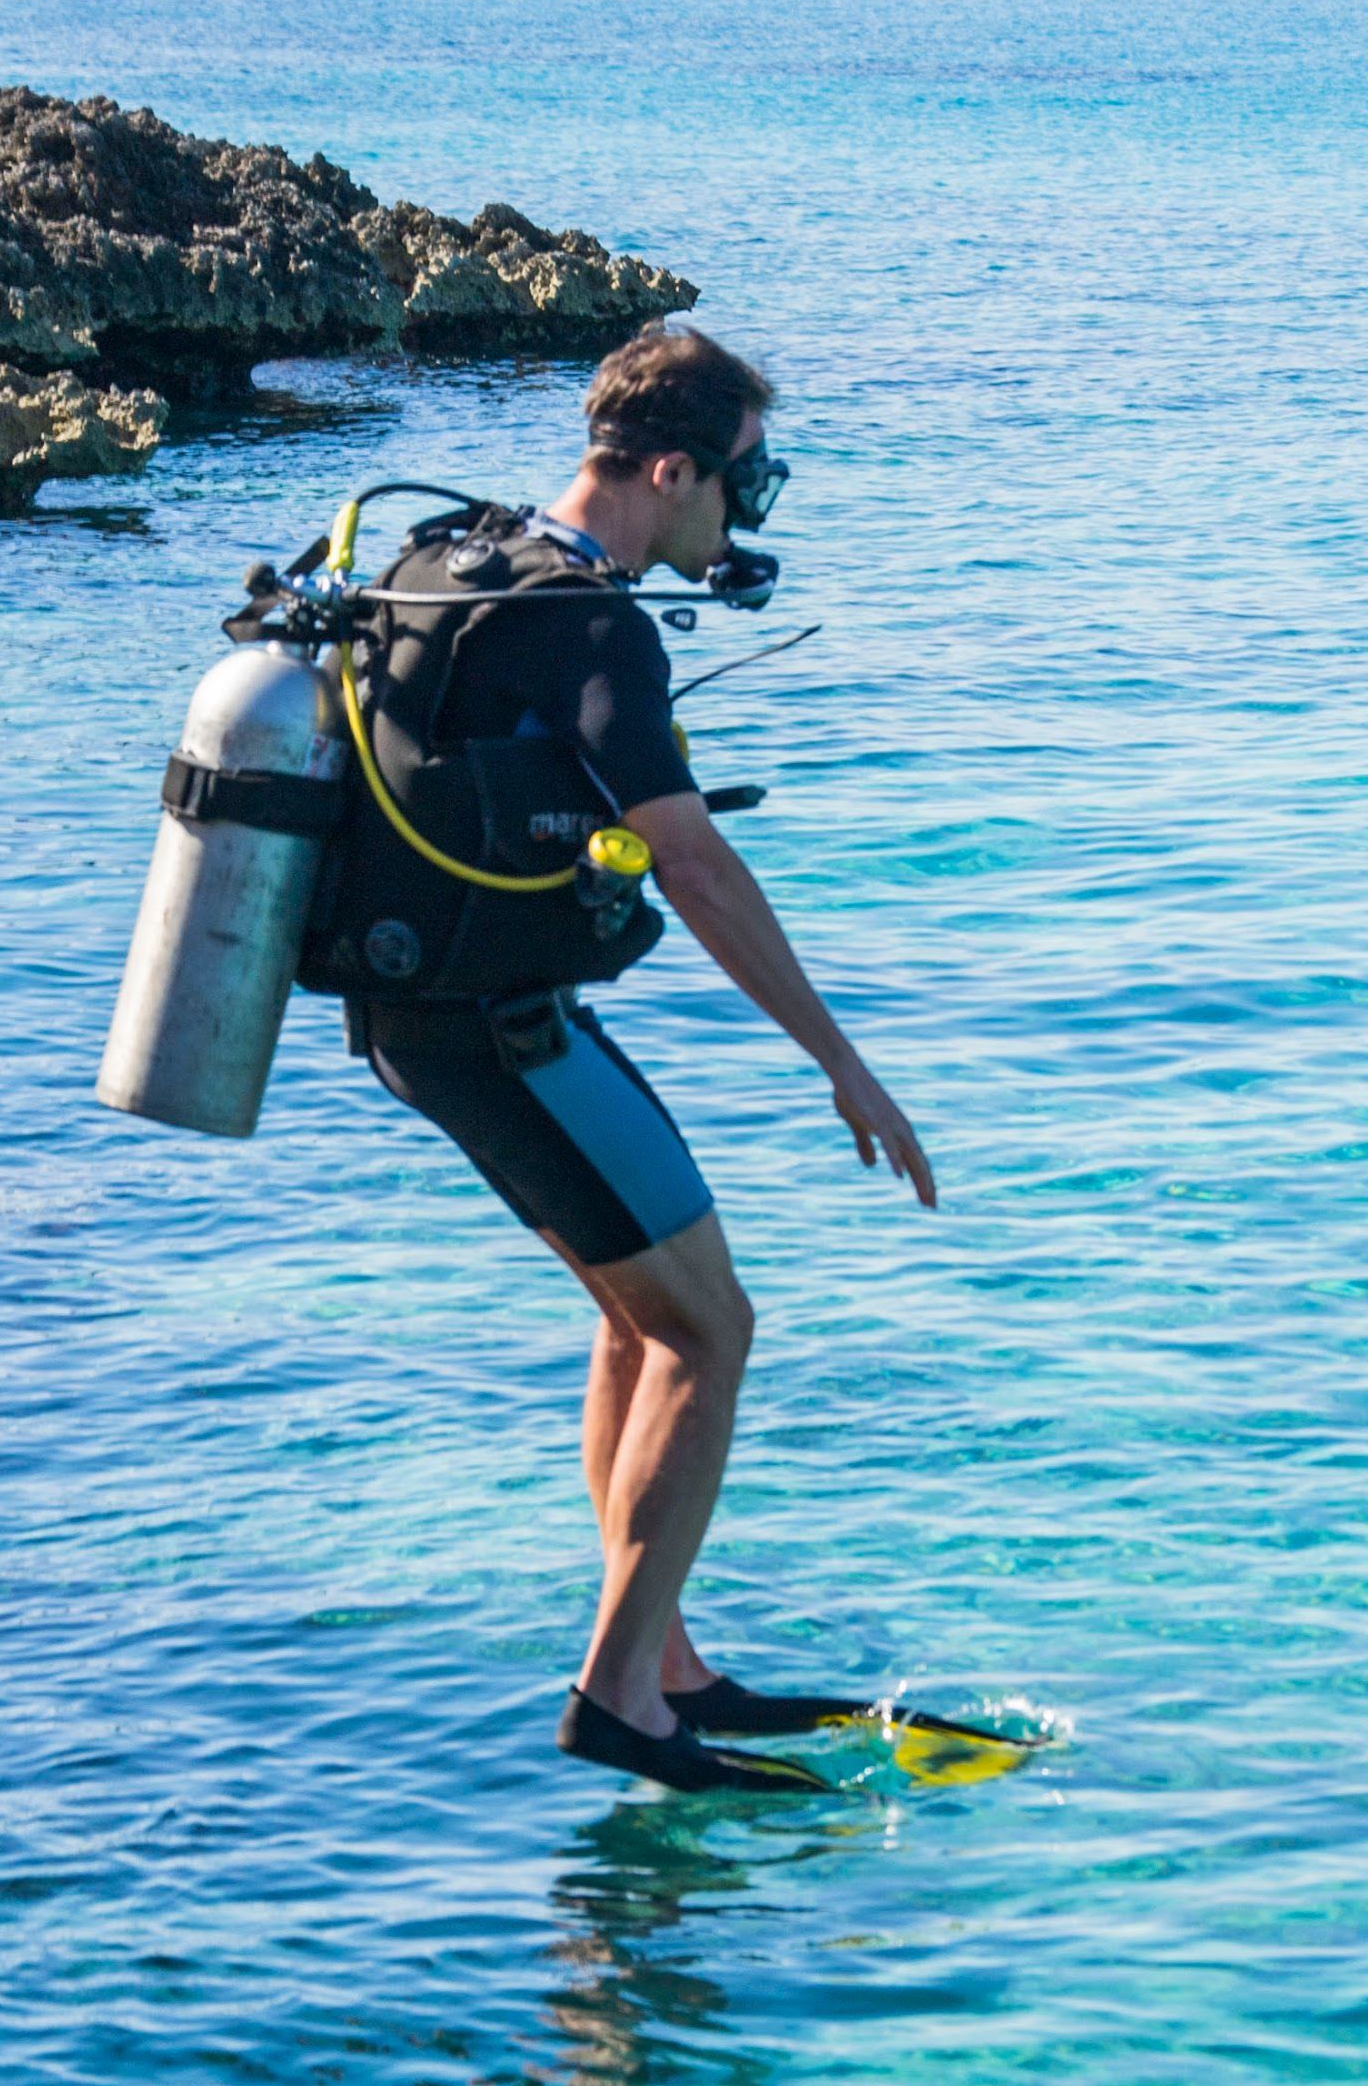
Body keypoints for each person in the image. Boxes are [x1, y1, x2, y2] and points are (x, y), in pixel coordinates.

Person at [351, 327, 936, 1794]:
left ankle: (660, 1656)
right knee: (711, 1331)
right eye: (743, 482)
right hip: (503, 1033)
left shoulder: (454, 560)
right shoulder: (595, 626)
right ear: (671, 470)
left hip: (427, 1020)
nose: (746, 514)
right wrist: (841, 1063)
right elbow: (693, 863)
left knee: (638, 1319)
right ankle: (622, 1699)